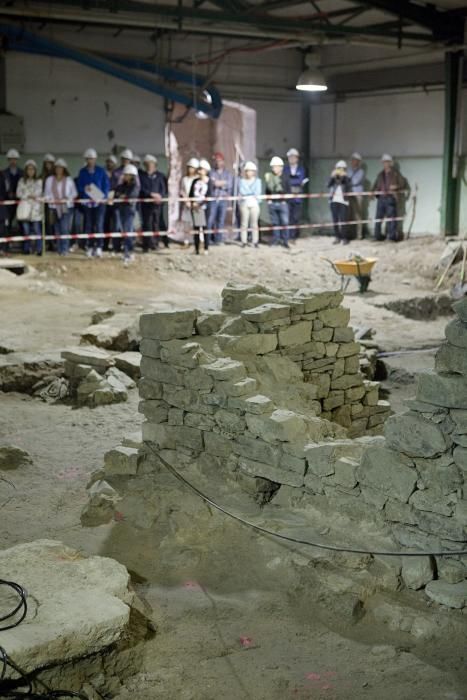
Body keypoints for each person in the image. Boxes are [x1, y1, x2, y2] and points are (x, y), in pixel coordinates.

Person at [76, 148, 110, 257]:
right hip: (87, 203)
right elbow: (79, 186)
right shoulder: (82, 172)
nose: (90, 161)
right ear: (86, 159)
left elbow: (106, 185)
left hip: (99, 203)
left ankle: (99, 246)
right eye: (88, 158)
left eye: (92, 158)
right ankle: (90, 246)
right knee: (89, 225)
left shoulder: (101, 171)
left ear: (95, 159)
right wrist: (85, 189)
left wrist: (102, 196)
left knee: (99, 225)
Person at [44, 158, 78, 256]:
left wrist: (68, 197)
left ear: (64, 169)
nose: (58, 170)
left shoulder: (69, 180)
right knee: (56, 229)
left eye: (61, 168)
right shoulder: (49, 180)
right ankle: (59, 248)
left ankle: (65, 248)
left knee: (64, 228)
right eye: (57, 168)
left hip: (66, 206)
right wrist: (50, 198)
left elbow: (74, 193)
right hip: (53, 207)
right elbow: (46, 193)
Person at [372, 154, 404, 242]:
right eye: (384, 162)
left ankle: (392, 237)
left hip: (390, 198)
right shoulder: (380, 174)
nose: (386, 164)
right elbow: (375, 185)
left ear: (391, 163)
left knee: (391, 218)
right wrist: (372, 192)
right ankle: (377, 236)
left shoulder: (396, 174)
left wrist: (396, 186)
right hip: (381, 198)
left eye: (387, 162)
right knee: (378, 218)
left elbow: (402, 184)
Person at [139, 154, 167, 252]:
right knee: (147, 224)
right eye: (147, 163)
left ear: (155, 164)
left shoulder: (160, 176)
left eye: (151, 163)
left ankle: (155, 243)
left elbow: (163, 189)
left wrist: (160, 196)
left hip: (157, 204)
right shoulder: (142, 176)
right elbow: (141, 189)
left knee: (156, 223)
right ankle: (146, 244)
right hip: (146, 204)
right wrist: (150, 194)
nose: (149, 165)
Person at [113, 164, 140, 265]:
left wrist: (123, 196)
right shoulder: (121, 186)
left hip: (130, 211)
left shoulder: (135, 187)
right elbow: (117, 194)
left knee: (128, 231)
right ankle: (128, 251)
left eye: (127, 175)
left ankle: (128, 252)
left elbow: (131, 195)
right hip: (121, 210)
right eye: (125, 174)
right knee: (124, 231)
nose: (125, 176)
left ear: (132, 176)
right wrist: (121, 196)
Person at [16, 159, 43, 255]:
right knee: (26, 231)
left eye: (32, 169)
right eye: (29, 169)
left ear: (35, 170)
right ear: (26, 170)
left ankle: (39, 249)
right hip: (25, 209)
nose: (30, 171)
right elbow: (18, 193)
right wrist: (28, 195)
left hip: (35, 210)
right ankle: (27, 249)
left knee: (37, 230)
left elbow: (38, 193)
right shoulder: (21, 181)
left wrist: (27, 194)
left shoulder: (39, 181)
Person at [264, 156, 291, 248]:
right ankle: (276, 240)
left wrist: (284, 200)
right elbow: (267, 190)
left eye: (275, 166)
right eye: (273, 167)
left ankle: (285, 241)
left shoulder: (286, 177)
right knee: (275, 223)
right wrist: (269, 201)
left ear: (281, 167)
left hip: (283, 204)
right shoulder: (269, 177)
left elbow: (289, 191)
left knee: (285, 223)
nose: (274, 168)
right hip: (273, 204)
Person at [208, 151, 233, 244]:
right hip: (213, 199)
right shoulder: (211, 172)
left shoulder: (228, 174)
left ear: (223, 161)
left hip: (223, 199)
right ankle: (209, 239)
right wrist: (223, 183)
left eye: (220, 160)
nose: (218, 162)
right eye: (216, 161)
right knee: (210, 219)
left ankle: (218, 239)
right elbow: (213, 183)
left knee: (220, 220)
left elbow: (229, 185)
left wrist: (219, 183)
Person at [283, 148, 308, 241]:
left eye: (293, 157)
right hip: (288, 197)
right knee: (289, 217)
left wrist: (292, 181)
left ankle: (295, 234)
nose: (292, 159)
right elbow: (285, 181)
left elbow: (301, 181)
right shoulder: (285, 169)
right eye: (290, 157)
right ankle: (290, 236)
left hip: (298, 197)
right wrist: (294, 181)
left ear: (297, 158)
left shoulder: (301, 169)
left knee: (296, 217)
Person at [189, 159, 211, 255]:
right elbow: (190, 194)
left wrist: (200, 204)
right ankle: (197, 248)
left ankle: (206, 248)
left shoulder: (209, 182)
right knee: (196, 229)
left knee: (205, 228)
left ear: (206, 170)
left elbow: (209, 196)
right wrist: (193, 202)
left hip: (205, 208)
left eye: (201, 169)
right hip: (195, 207)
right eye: (199, 169)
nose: (199, 171)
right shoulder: (195, 181)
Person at [238, 161, 261, 248]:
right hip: (244, 204)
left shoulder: (258, 181)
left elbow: (257, 192)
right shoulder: (242, 181)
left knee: (254, 223)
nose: (249, 172)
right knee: (244, 223)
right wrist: (250, 193)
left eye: (251, 171)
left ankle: (255, 241)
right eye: (247, 170)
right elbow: (242, 191)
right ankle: (244, 241)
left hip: (254, 204)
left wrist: (249, 193)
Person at [328, 160, 351, 245]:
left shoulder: (347, 178)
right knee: (335, 220)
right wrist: (332, 177)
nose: (340, 170)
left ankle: (344, 238)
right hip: (333, 200)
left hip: (343, 201)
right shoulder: (334, 177)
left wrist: (345, 177)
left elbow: (349, 186)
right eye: (338, 168)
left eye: (342, 169)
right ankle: (337, 237)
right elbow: (328, 185)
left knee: (343, 220)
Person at [4, 148, 23, 243]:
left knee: (22, 222)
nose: (13, 161)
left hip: (21, 202)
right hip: (8, 202)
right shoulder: (4, 173)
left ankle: (24, 244)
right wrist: (8, 194)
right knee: (8, 222)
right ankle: (7, 243)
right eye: (11, 159)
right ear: (8, 160)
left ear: (17, 160)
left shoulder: (22, 173)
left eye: (14, 159)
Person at [180, 157, 199, 242]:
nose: (190, 169)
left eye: (192, 167)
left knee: (198, 223)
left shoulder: (198, 179)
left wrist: (196, 202)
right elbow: (182, 191)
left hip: (197, 205)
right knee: (186, 223)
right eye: (189, 167)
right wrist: (186, 201)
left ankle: (200, 240)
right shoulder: (185, 179)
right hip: (187, 204)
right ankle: (186, 241)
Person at [347, 152, 365, 240]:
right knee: (349, 214)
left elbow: (355, 182)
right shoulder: (348, 170)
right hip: (349, 194)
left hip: (357, 194)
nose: (353, 161)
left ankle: (359, 234)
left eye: (355, 160)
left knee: (358, 214)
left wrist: (348, 181)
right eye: (353, 160)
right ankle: (350, 233)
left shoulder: (361, 171)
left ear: (358, 162)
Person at [41, 154, 56, 251]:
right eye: (46, 163)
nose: (48, 165)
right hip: (45, 204)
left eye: (50, 163)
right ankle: (48, 243)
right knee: (47, 224)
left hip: (55, 203)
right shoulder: (41, 176)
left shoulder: (56, 176)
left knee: (54, 224)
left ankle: (53, 243)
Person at [104, 155, 118, 251]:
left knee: (116, 225)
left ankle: (116, 245)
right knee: (105, 224)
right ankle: (105, 245)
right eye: (108, 162)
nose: (109, 164)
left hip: (116, 203)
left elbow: (119, 187)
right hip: (105, 203)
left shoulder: (118, 175)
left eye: (111, 162)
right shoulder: (103, 174)